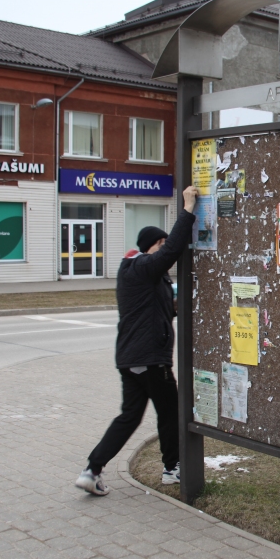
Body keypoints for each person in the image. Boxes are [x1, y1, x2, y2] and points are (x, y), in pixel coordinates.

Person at [76, 185, 199, 496]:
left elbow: (157, 310)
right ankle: (172, 468)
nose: (164, 249)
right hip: (149, 359)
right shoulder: (142, 266)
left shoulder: (140, 275)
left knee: (129, 416)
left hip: (131, 359)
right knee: (170, 412)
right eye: (160, 244)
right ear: (151, 247)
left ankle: (92, 470)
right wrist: (187, 209)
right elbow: (172, 250)